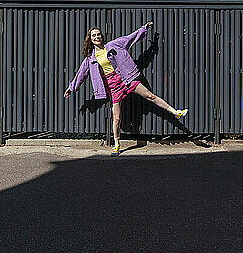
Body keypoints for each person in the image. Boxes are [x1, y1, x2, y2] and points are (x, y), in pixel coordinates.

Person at [64, 21, 188, 156]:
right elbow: (81, 74)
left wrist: (143, 29)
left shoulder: (113, 45)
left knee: (150, 96)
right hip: (112, 87)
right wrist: (72, 88)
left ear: (102, 36)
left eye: (98, 35)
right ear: (90, 39)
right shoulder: (90, 58)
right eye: (94, 36)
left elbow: (130, 38)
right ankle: (117, 145)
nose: (97, 37)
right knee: (116, 118)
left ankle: (175, 112)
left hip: (126, 78)